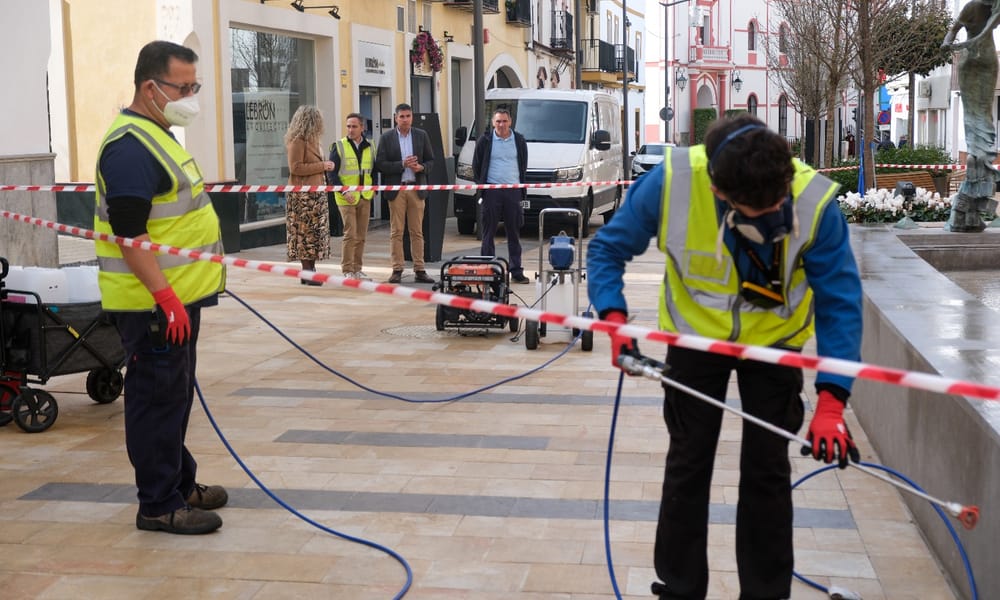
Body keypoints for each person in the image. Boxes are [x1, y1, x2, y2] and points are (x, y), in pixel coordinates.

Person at [587, 114, 863, 599]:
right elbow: (607, 249)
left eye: (778, 203)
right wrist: (613, 317)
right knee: (688, 465)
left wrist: (833, 402)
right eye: (756, 210)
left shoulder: (815, 201)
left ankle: (765, 592)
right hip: (695, 342)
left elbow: (841, 302)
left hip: (775, 346)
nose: (774, 215)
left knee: (768, 471)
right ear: (719, 192)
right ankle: (679, 588)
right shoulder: (672, 182)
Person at [94, 40, 228, 535]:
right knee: (155, 399)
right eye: (183, 87)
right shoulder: (130, 146)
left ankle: (178, 482)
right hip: (153, 304)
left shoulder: (158, 132)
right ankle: (158, 504)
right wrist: (166, 299)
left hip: (177, 300)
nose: (191, 96)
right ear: (151, 88)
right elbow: (129, 234)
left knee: (175, 396)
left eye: (195, 86)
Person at [942, 0, 1000, 231]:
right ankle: (966, 209)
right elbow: (955, 29)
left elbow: (954, 30)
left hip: (979, 58)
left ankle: (967, 212)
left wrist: (951, 42)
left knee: (981, 115)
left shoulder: (981, 7)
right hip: (979, 59)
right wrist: (950, 42)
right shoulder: (979, 7)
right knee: (979, 114)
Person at [375, 103, 436, 284]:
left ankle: (420, 269)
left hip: (416, 188)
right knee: (397, 231)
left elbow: (432, 160)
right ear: (395, 118)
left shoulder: (421, 135)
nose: (405, 119)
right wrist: (402, 164)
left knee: (417, 231)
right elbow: (380, 164)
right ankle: (397, 269)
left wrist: (421, 167)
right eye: (401, 116)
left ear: (412, 117)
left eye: (408, 116)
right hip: (397, 189)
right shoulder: (386, 138)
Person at [473, 108, 530, 284]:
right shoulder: (485, 140)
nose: (501, 125)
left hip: (513, 191)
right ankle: (488, 269)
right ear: (493, 123)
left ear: (510, 122)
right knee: (488, 232)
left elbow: (523, 164)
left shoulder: (519, 140)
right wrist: (483, 187)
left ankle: (516, 270)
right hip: (492, 191)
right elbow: (477, 165)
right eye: (498, 121)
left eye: (504, 121)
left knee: (514, 232)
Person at [285, 105, 335, 285]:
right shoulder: (297, 141)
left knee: (315, 235)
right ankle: (307, 270)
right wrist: (323, 166)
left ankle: (310, 270)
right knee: (304, 234)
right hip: (302, 196)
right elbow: (295, 167)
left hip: (316, 193)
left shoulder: (315, 141)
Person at [328, 112, 375, 280]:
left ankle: (357, 269)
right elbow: (332, 175)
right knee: (350, 234)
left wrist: (373, 189)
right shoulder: (339, 146)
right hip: (345, 198)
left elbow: (373, 171)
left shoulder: (370, 146)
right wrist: (344, 191)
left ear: (362, 127)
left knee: (361, 236)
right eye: (348, 126)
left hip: (365, 196)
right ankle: (347, 269)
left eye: (354, 126)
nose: (350, 129)